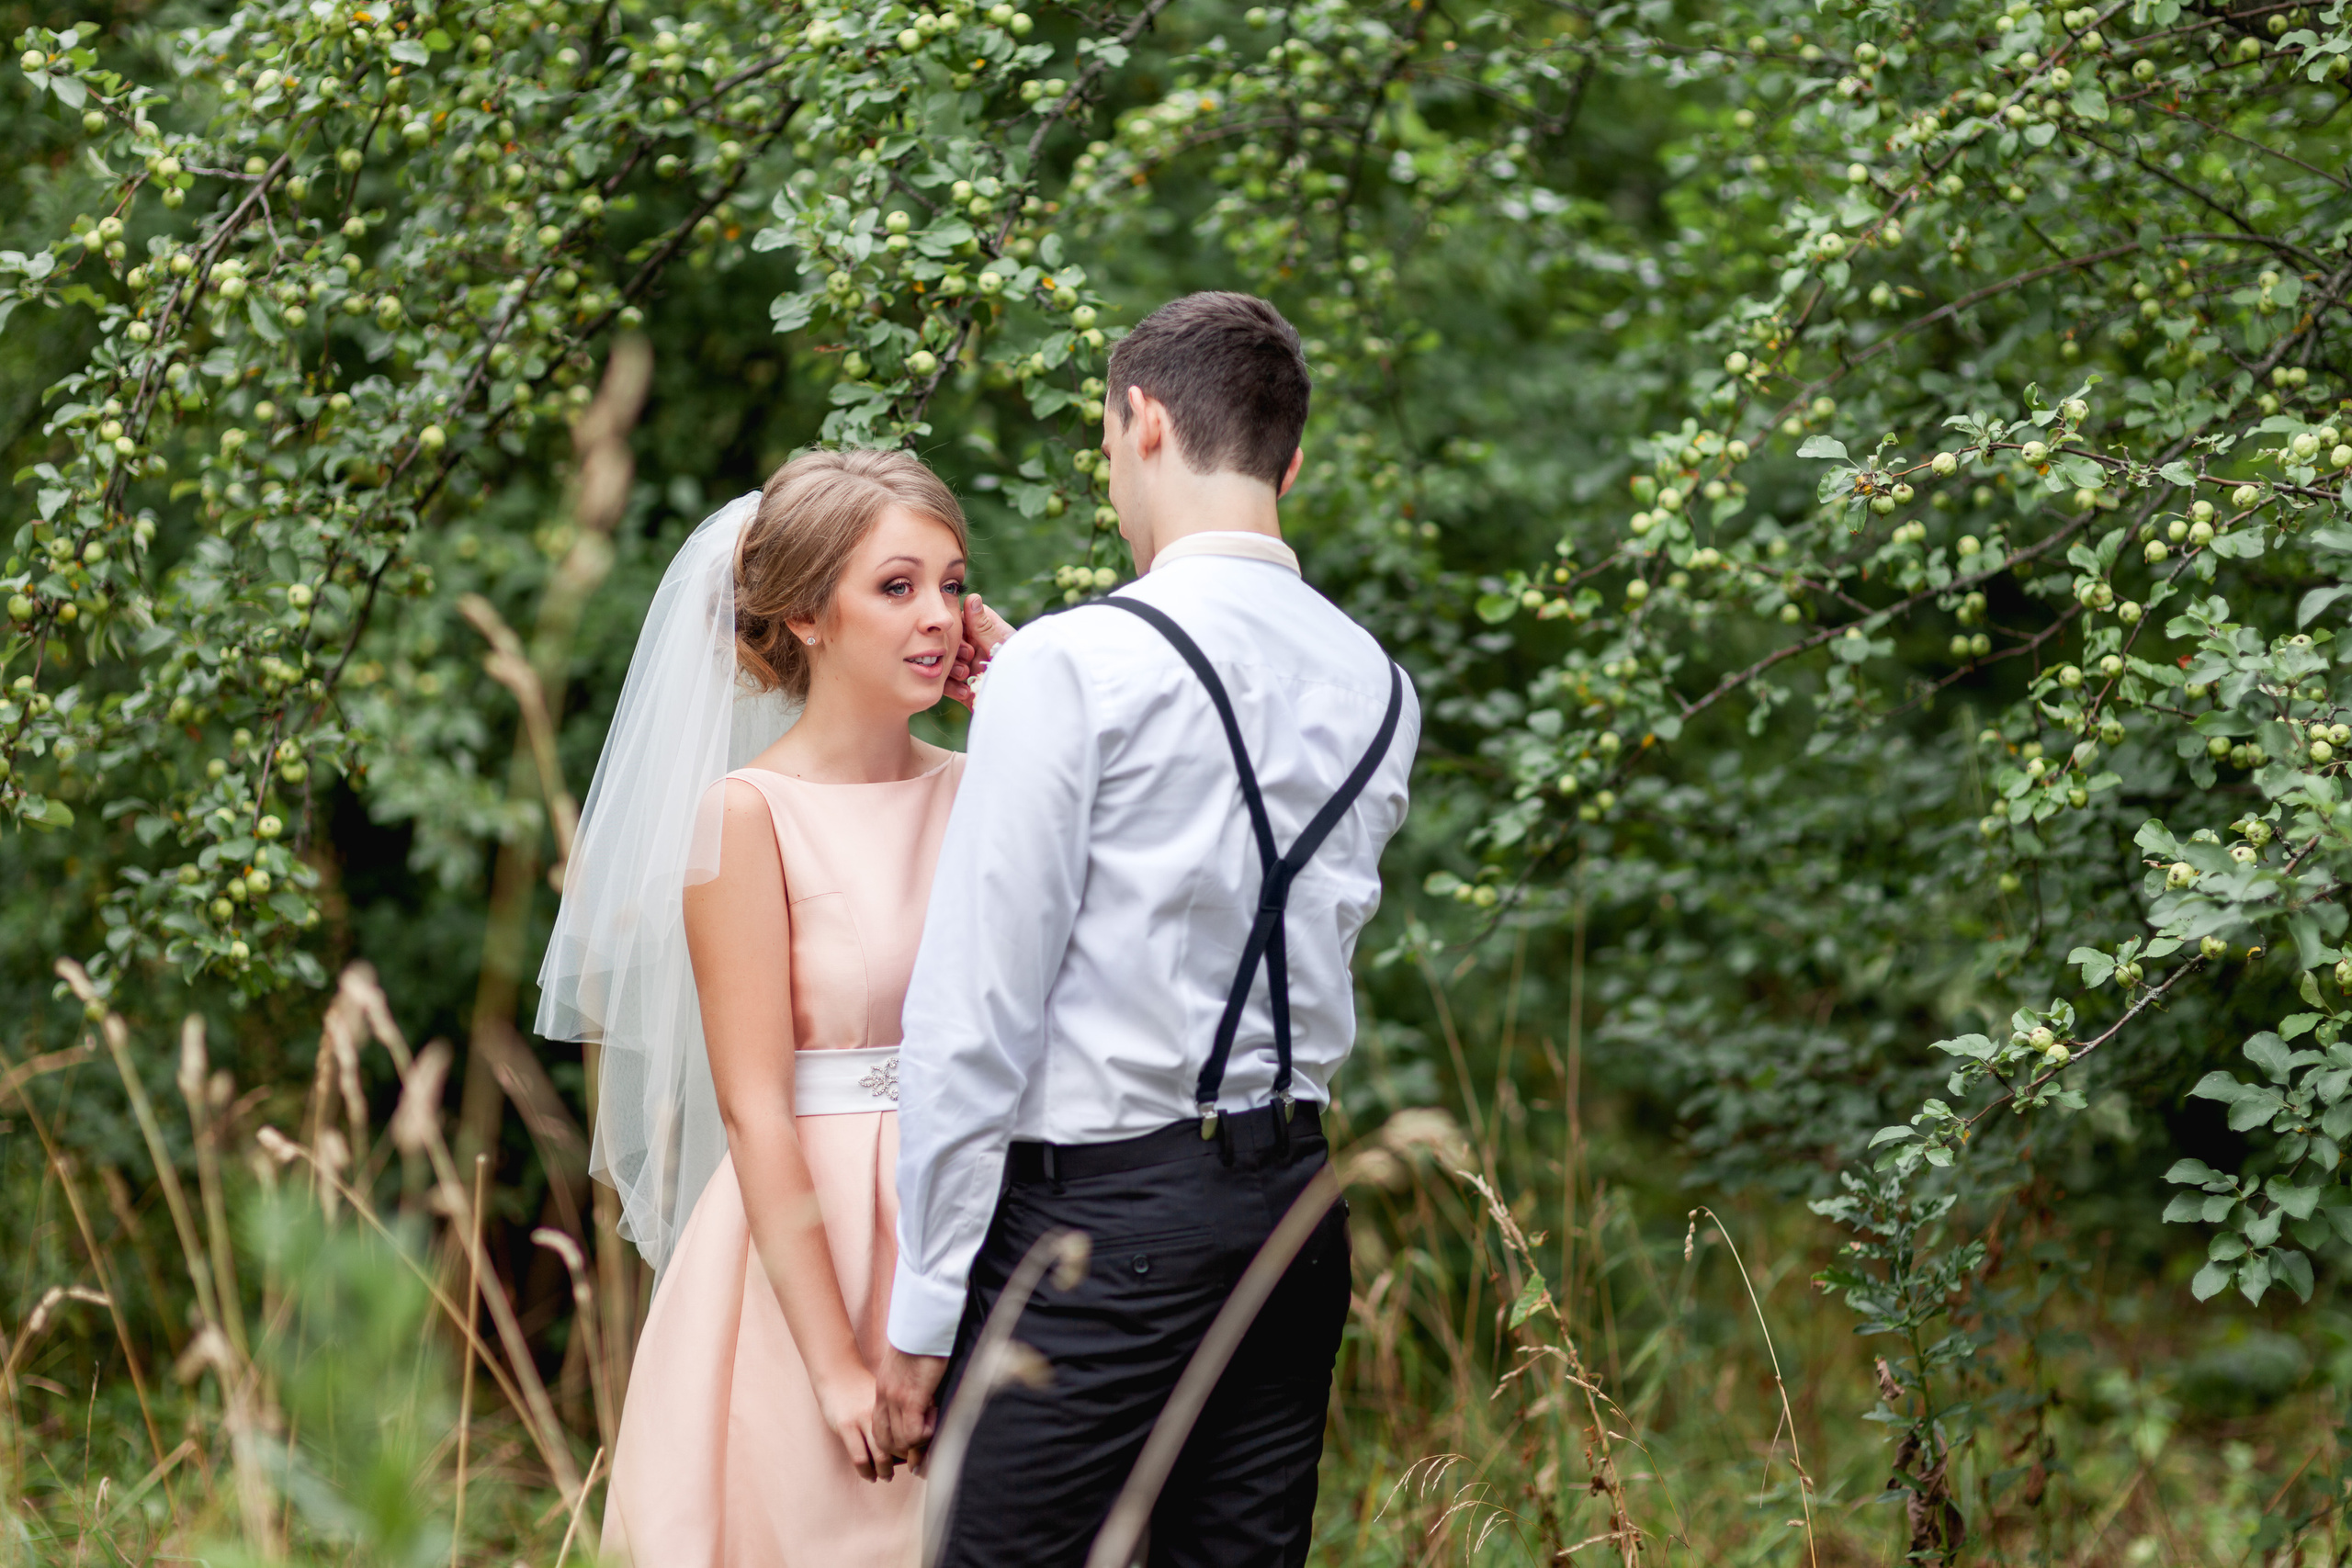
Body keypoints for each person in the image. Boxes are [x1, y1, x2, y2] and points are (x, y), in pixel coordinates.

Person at [876, 292, 1421, 1566]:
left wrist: (925, 1309)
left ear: (1146, 421)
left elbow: (975, 1013)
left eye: (1109, 442)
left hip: (1099, 1227)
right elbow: (1218, 854)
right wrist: (1031, 695)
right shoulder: (1380, 683)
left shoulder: (1078, 665)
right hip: (1290, 1218)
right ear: (1291, 461)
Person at [533, 448, 1012, 1567]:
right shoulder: (745, 817)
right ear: (804, 615)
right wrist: (834, 1366)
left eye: (951, 585)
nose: (937, 615)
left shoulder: (987, 787)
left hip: (978, 1216)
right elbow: (753, 1107)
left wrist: (1019, 693)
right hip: (812, 1250)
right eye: (896, 587)